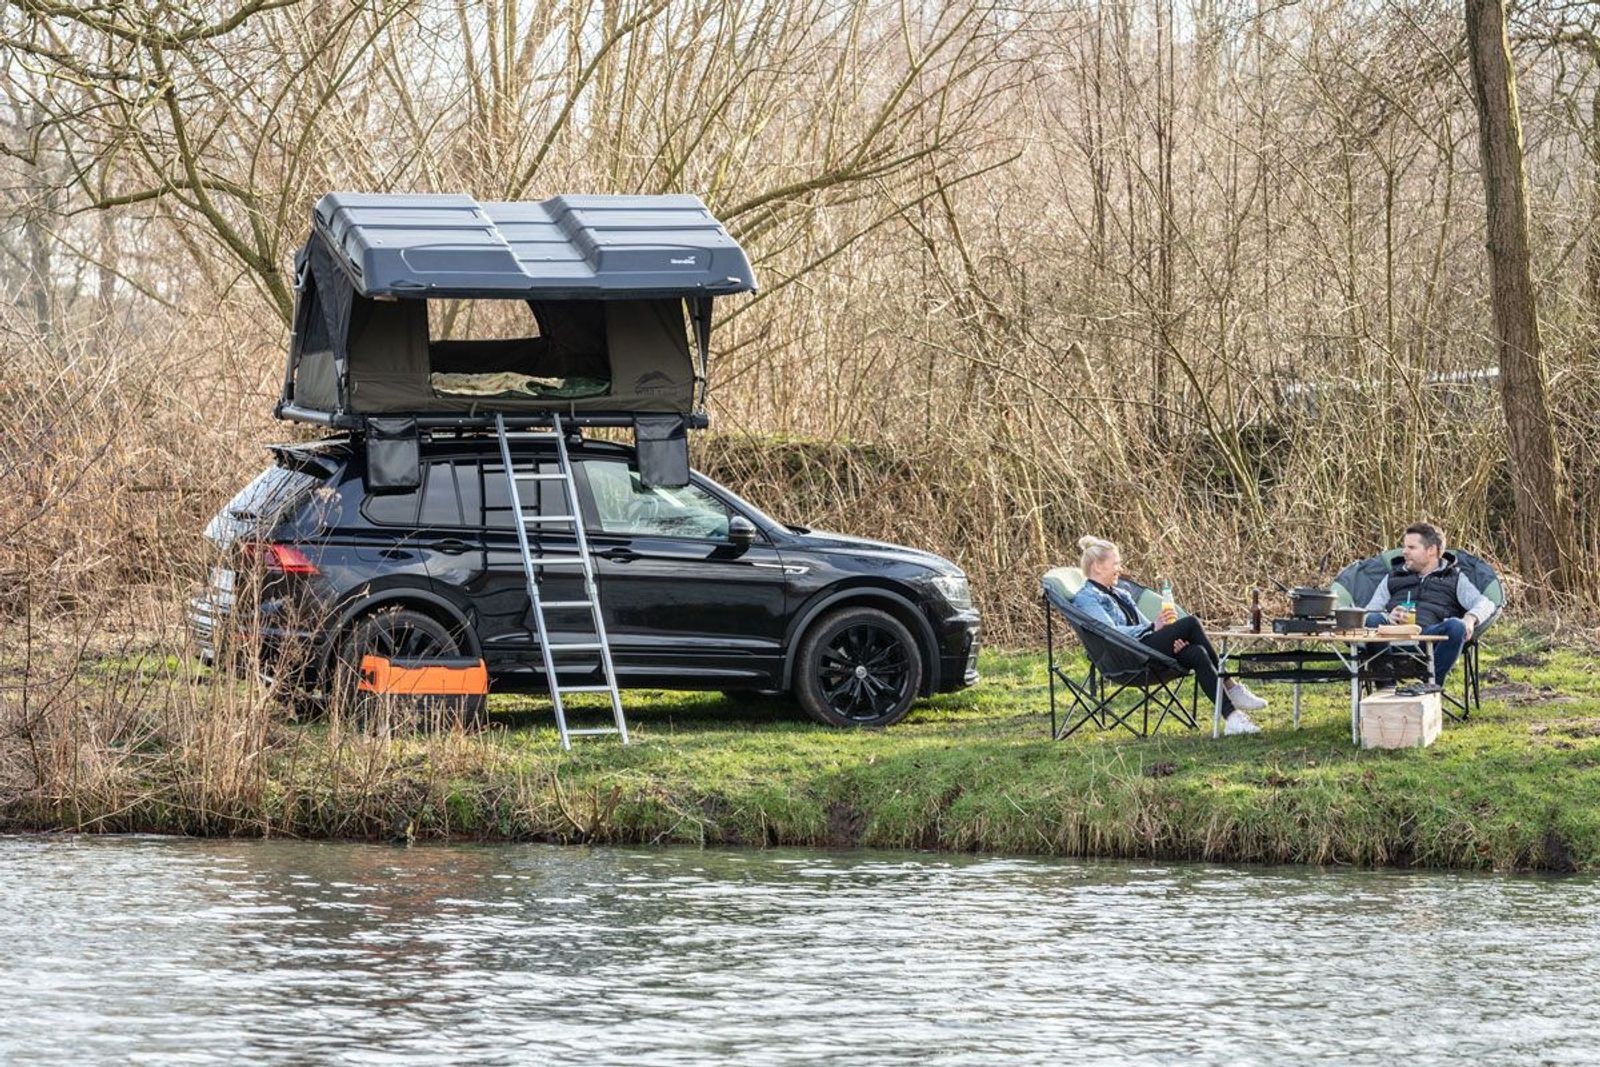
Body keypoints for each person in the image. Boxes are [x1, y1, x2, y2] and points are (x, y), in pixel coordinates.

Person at [1070, 536, 1268, 736]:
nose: (1120, 569)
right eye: (1116, 564)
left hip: (1144, 648)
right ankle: (1230, 686)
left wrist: (1167, 635)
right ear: (1097, 566)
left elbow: (1144, 625)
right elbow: (1109, 632)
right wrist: (1153, 628)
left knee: (1196, 652)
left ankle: (1232, 718)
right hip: (1126, 657)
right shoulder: (1086, 599)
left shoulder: (1121, 594)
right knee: (1191, 623)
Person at [1362, 522, 1497, 686]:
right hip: (1392, 636)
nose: (1404, 551)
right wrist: (1388, 617)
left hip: (1430, 638)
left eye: (1411, 547)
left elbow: (1486, 603)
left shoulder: (1453, 577)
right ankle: (1386, 690)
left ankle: (1430, 686)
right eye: (1404, 547)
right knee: (1374, 620)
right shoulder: (1394, 575)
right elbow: (1369, 612)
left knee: (1456, 626)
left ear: (1431, 550)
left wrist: (1470, 618)